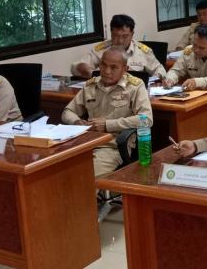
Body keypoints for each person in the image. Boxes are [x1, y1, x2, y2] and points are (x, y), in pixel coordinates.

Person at [62, 48, 153, 176]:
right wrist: (76, 121)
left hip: (113, 146)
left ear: (125, 69)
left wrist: (108, 124)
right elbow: (67, 111)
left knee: (86, 175)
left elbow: (146, 119)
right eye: (103, 65)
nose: (106, 71)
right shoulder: (90, 85)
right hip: (86, 142)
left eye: (113, 67)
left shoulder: (135, 87)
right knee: (59, 171)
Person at [71, 14, 166, 79]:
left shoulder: (142, 51)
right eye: (116, 36)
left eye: (125, 36)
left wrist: (152, 81)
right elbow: (77, 66)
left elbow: (159, 70)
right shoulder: (101, 49)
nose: (120, 41)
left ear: (132, 34)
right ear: (111, 32)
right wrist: (93, 74)